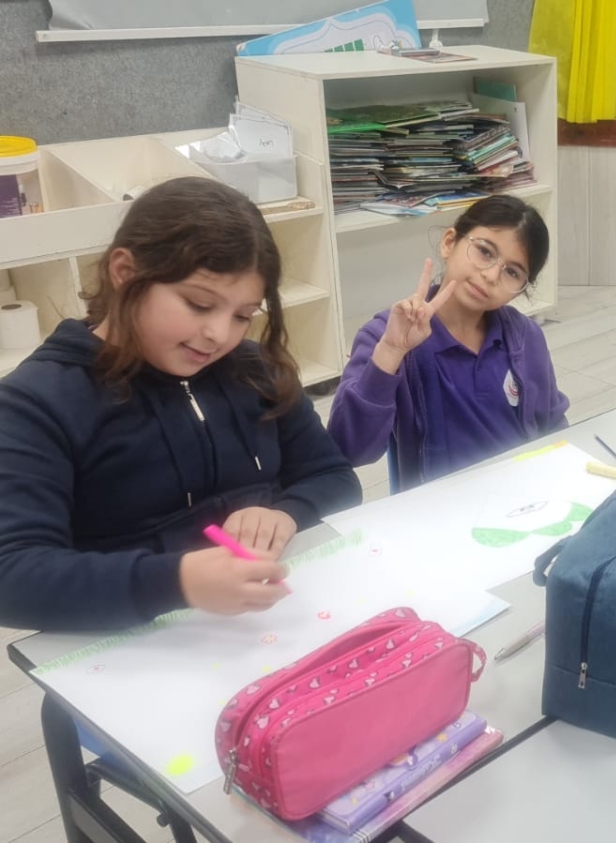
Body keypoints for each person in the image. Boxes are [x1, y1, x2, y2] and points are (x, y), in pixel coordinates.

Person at [0, 177, 362, 632]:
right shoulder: (36, 403)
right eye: (198, 304)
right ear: (124, 272)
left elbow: (334, 478)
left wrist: (286, 514)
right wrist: (177, 581)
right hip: (128, 645)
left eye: (242, 316)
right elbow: (12, 576)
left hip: (265, 629)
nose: (219, 335)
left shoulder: (253, 369)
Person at [329, 196, 568, 491]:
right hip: (440, 505)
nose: (491, 275)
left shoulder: (525, 335)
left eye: (512, 272)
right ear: (449, 243)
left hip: (523, 493)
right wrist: (390, 353)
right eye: (484, 251)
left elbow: (553, 425)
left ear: (520, 290)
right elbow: (349, 449)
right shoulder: (385, 335)